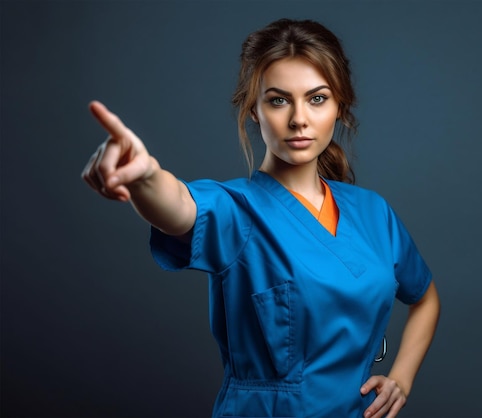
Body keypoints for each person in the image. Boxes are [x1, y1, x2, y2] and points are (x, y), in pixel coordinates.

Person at [82, 18, 440, 418]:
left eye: (317, 99)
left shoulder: (373, 212)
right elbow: (181, 205)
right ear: (253, 110)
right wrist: (146, 175)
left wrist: (401, 378)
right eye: (278, 100)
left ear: (340, 105)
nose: (299, 119)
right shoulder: (235, 209)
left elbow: (424, 297)